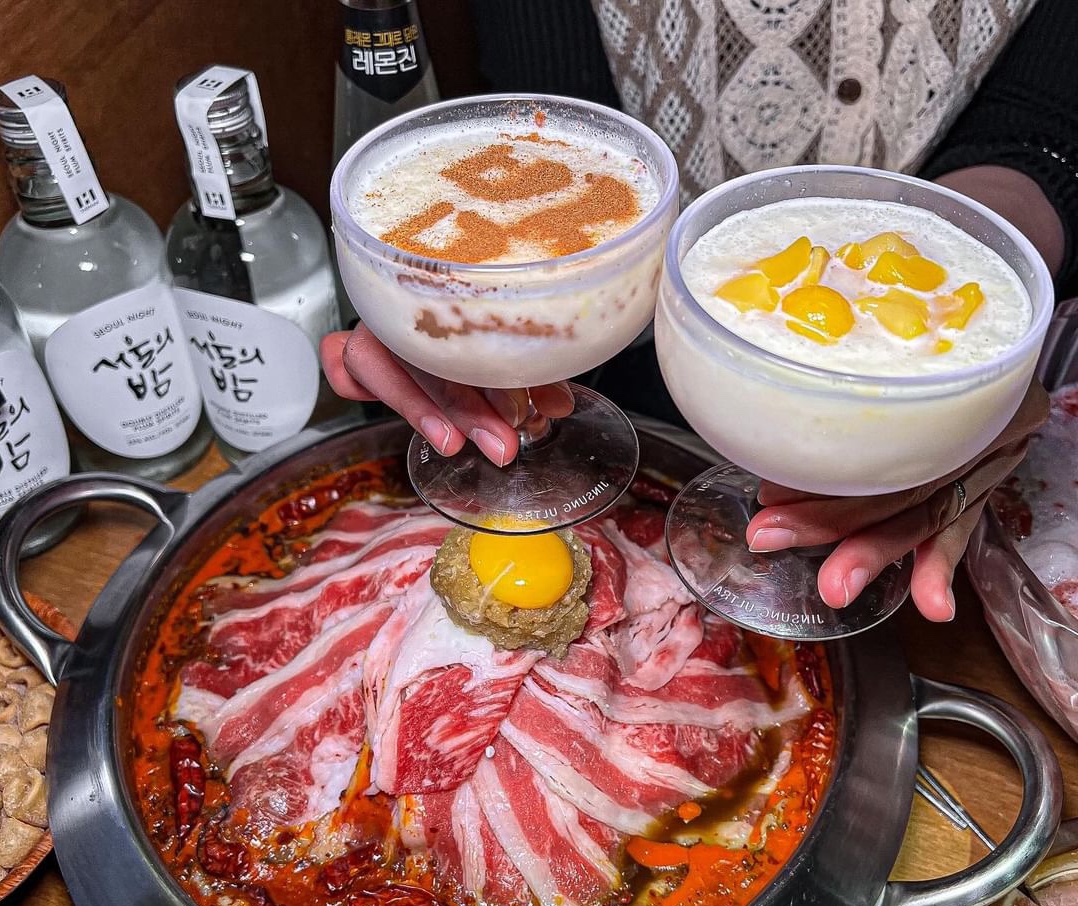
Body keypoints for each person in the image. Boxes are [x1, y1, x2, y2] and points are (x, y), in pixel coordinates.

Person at [321, 0, 1078, 624]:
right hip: (642, 362)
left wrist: (981, 321)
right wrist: (445, 293)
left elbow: (1041, 133)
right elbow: (544, 120)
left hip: (829, 340)